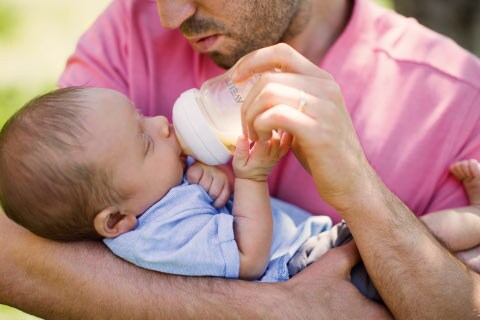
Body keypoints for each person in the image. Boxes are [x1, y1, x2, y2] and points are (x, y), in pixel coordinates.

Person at [0, 0, 479, 318]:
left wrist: (359, 190)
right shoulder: (130, 31)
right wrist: (278, 309)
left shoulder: (456, 101)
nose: (170, 16)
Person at [2, 87, 480, 302]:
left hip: (311, 251)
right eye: (146, 142)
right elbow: (248, 256)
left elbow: (213, 221)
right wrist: (250, 178)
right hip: (302, 266)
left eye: (142, 114)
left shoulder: (149, 199)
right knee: (421, 240)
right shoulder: (154, 238)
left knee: (435, 253)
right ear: (114, 222)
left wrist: (211, 178)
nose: (161, 124)